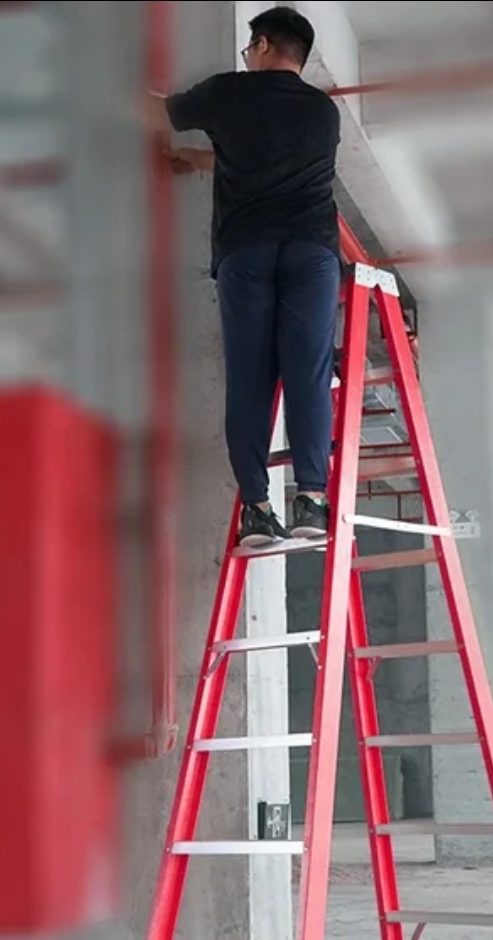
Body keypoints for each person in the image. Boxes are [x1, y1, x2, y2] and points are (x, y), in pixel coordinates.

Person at [138, 6, 341, 547]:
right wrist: (198, 161)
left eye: (251, 47)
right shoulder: (324, 112)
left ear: (265, 44)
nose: (247, 56)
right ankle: (312, 502)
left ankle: (257, 508)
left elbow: (159, 114)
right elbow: (272, 163)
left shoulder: (229, 92)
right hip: (311, 251)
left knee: (250, 379)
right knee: (308, 374)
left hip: (246, 252)